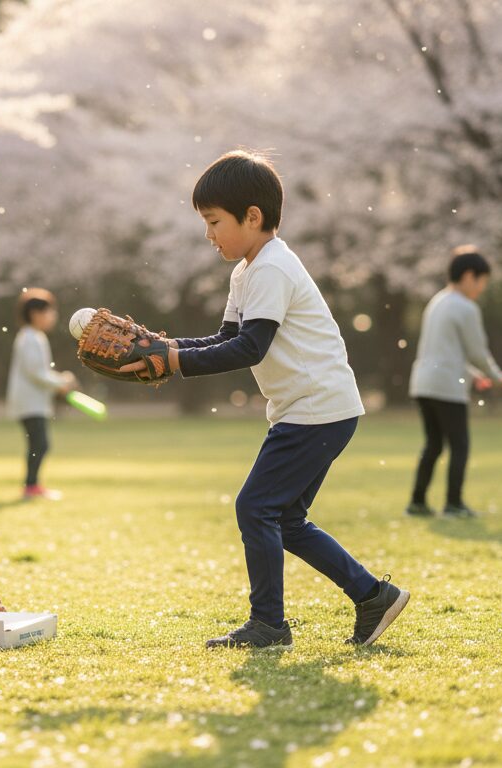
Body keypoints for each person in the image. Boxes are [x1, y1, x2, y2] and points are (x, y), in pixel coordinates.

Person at [121, 149, 408, 650]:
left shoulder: (273, 267)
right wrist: (165, 349)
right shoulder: (247, 270)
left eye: (214, 222)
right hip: (315, 409)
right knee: (285, 520)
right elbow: (223, 337)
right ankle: (373, 596)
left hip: (316, 410)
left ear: (252, 217)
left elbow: (250, 348)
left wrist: (173, 362)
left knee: (255, 507)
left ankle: (269, 625)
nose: (208, 234)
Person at [405, 247, 502, 519]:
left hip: (423, 384)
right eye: (482, 281)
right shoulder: (466, 307)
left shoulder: (438, 301)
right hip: (446, 386)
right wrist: (497, 377)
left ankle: (417, 501)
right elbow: (477, 351)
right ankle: (453, 504)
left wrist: (476, 376)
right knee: (459, 445)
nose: (482, 288)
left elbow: (446, 351)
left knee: (434, 444)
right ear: (470, 276)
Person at [6, 288, 77, 500]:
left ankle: (32, 485)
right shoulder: (30, 338)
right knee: (40, 444)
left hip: (34, 402)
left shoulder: (34, 337)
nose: (53, 316)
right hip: (30, 403)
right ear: (36, 313)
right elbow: (36, 372)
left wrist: (58, 380)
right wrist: (61, 382)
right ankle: (31, 486)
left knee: (39, 444)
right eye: (50, 311)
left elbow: (39, 371)